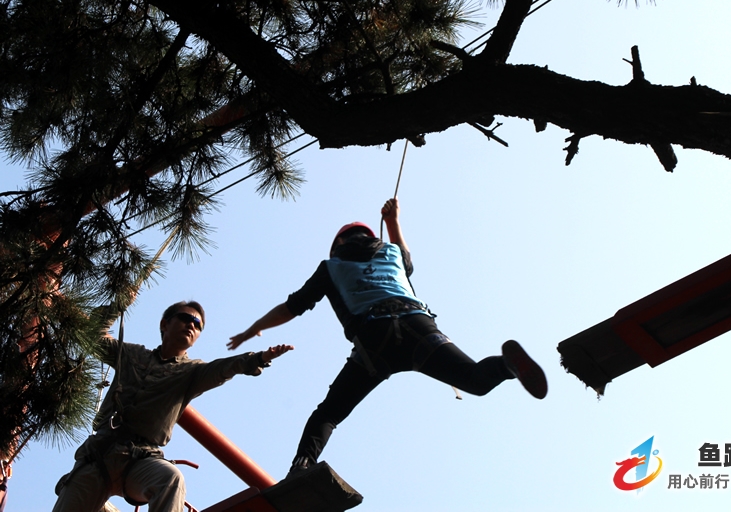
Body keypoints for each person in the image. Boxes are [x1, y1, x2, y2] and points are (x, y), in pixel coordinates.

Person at [227, 198, 547, 473]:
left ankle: (302, 467)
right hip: (419, 327)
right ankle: (507, 366)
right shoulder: (392, 253)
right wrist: (393, 222)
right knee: (475, 380)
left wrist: (254, 328)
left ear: (338, 245)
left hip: (373, 340)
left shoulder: (331, 267)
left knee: (329, 414)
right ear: (371, 237)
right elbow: (407, 258)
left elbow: (292, 307)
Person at [53, 300, 293, 512]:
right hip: (98, 456)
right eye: (186, 318)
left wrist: (258, 358)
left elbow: (223, 369)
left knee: (170, 478)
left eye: (198, 325)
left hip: (139, 459)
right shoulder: (131, 355)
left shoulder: (191, 372)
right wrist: (119, 303)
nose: (191, 325)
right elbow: (92, 336)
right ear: (165, 324)